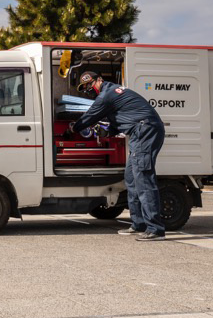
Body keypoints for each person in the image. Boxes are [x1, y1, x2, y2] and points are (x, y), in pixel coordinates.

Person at [69, 71, 166, 241]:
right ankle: (139, 224)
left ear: (100, 80)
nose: (88, 89)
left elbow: (90, 116)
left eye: (90, 85)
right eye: (85, 88)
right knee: (131, 178)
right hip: (141, 131)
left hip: (145, 130)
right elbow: (117, 123)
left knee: (143, 178)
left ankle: (155, 229)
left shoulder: (106, 95)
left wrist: (73, 129)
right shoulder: (112, 95)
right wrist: (106, 130)